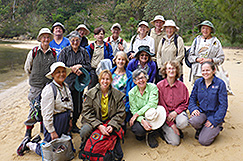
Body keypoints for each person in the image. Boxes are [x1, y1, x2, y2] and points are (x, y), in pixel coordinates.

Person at [17, 62, 73, 156]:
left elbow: (70, 104)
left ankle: (39, 139)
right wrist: (52, 131)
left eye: (63, 71)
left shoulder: (66, 87)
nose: (61, 74)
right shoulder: (49, 89)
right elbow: (46, 114)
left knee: (64, 148)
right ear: (52, 75)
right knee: (50, 152)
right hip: (55, 122)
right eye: (58, 72)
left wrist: (70, 119)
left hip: (65, 120)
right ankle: (29, 144)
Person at [79, 69, 125, 160]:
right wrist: (99, 125)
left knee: (117, 149)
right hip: (93, 120)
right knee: (85, 130)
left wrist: (112, 125)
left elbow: (121, 113)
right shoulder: (90, 93)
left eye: (107, 79)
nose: (105, 81)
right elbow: (86, 112)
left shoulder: (117, 95)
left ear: (111, 81)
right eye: (103, 79)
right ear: (99, 80)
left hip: (109, 121)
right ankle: (85, 145)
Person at [22, 28, 56, 138]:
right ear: (40, 39)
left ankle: (43, 128)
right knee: (33, 108)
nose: (46, 39)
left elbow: (54, 70)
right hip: (35, 86)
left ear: (50, 39)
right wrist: (34, 79)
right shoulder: (34, 52)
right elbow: (27, 68)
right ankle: (28, 132)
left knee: (46, 108)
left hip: (48, 86)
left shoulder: (53, 53)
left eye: (48, 37)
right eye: (44, 37)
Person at [59, 31, 91, 133]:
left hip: (79, 82)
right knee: (67, 105)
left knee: (78, 105)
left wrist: (80, 67)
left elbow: (89, 66)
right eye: (73, 40)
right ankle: (67, 126)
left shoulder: (83, 52)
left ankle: (74, 124)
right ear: (69, 41)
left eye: (77, 40)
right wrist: (71, 69)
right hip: (67, 82)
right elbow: (60, 66)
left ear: (80, 40)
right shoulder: (65, 52)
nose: (75, 42)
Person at [188, 61, 228, 146]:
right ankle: (201, 128)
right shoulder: (198, 82)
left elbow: (223, 106)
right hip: (202, 112)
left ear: (213, 71)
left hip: (214, 114)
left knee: (204, 141)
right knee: (193, 120)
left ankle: (217, 127)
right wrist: (193, 109)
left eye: (208, 70)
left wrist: (214, 120)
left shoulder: (220, 84)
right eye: (203, 70)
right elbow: (192, 99)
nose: (205, 73)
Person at [157, 60, 189, 146]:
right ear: (165, 71)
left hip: (177, 113)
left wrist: (176, 112)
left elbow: (185, 103)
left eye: (173, 69)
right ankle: (164, 130)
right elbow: (160, 105)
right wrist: (171, 124)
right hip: (165, 115)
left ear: (177, 71)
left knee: (183, 122)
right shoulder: (159, 86)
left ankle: (178, 128)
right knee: (175, 142)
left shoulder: (182, 86)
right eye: (169, 69)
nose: (171, 71)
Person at [129, 69, 160, 148]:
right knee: (138, 130)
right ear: (134, 81)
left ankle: (152, 134)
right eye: (138, 79)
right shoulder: (131, 93)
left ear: (146, 78)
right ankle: (143, 133)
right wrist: (142, 120)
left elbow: (152, 104)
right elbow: (133, 110)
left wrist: (137, 114)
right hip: (140, 117)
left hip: (151, 115)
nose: (141, 80)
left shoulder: (153, 87)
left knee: (152, 112)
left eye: (143, 77)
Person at [110, 51, 135, 128]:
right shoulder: (110, 73)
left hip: (124, 104)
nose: (120, 61)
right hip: (111, 102)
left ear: (126, 61)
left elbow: (132, 92)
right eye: (119, 59)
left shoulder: (130, 75)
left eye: (123, 60)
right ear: (115, 60)